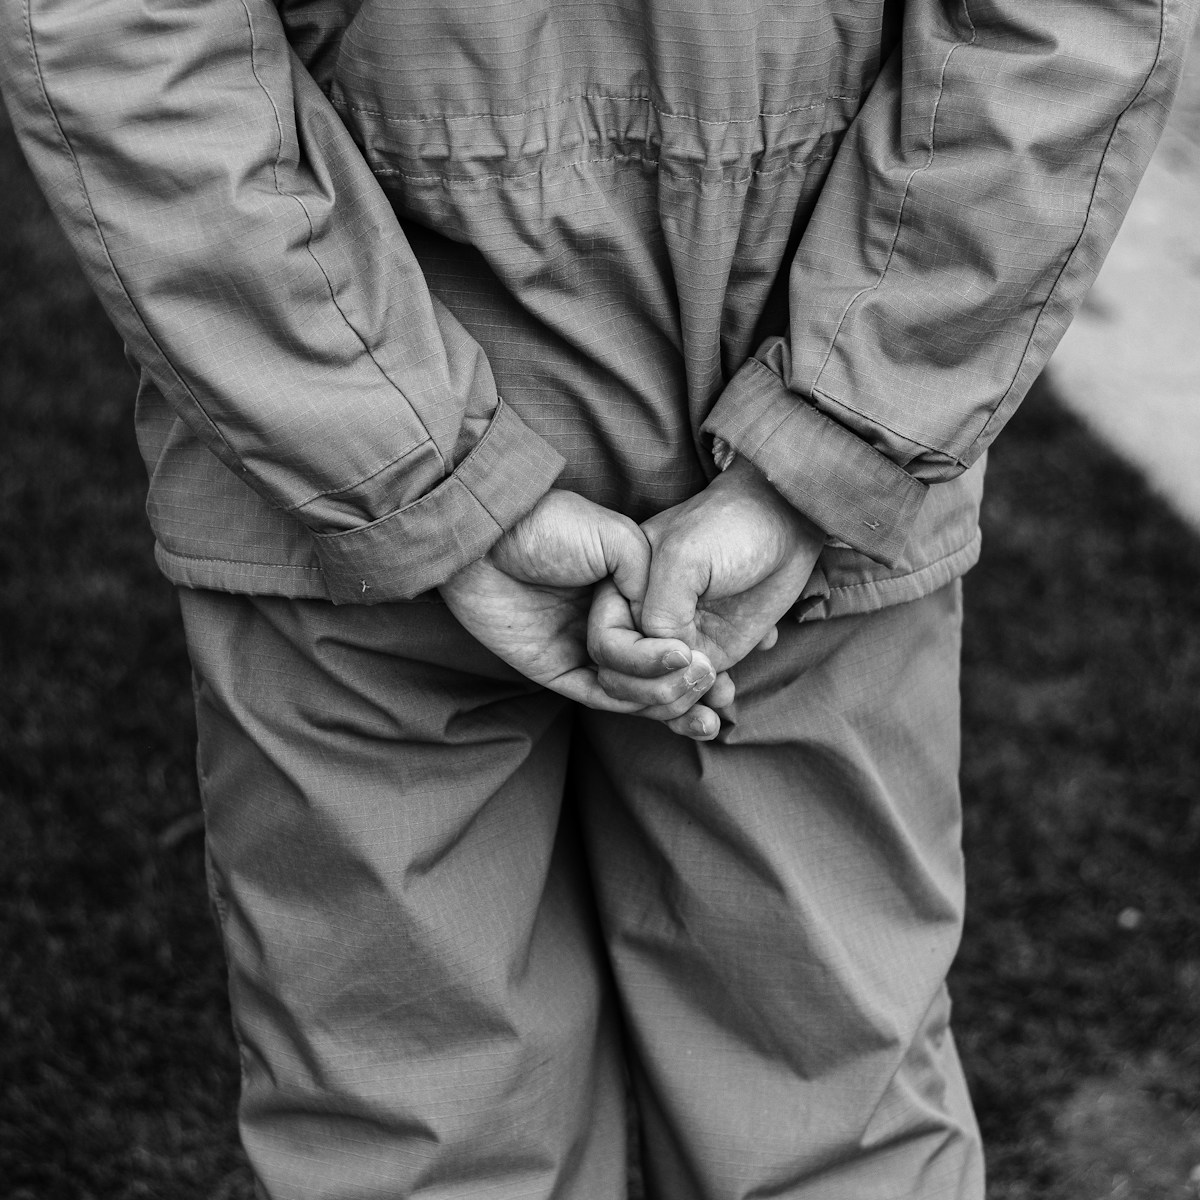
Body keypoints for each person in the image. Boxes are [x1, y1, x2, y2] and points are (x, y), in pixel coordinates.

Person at [2, 1, 1193, 1196]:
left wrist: (420, 463)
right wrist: (832, 438)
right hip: (769, 396)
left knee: (414, 1121)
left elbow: (116, 35)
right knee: (826, 1107)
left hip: (340, 440)